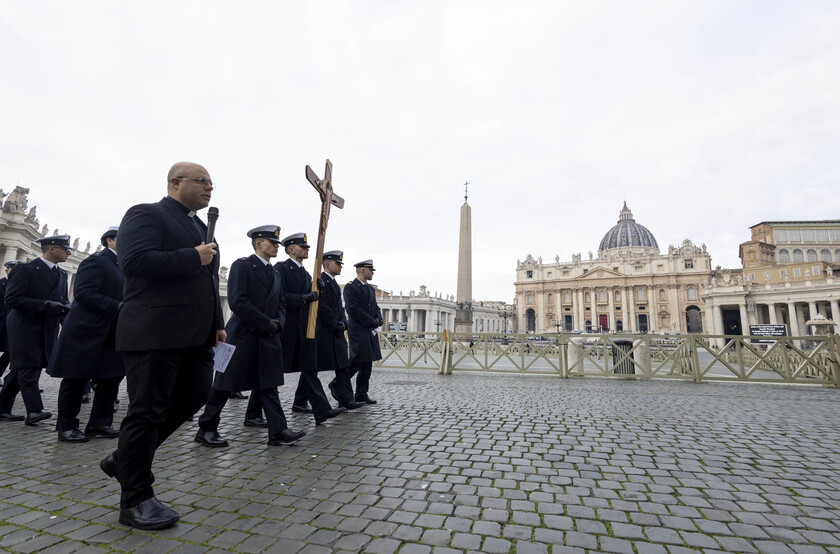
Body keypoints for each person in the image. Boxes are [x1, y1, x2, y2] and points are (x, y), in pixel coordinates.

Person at [99, 162, 225, 530]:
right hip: (154, 331)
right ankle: (135, 499)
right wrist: (192, 256)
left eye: (211, 184)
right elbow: (133, 261)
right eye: (202, 181)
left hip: (195, 335)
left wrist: (217, 324)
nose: (209, 188)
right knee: (147, 411)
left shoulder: (200, 226)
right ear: (175, 182)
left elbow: (208, 282)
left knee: (195, 395)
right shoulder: (145, 214)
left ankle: (124, 458)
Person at [195, 225, 305, 447]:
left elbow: (281, 303)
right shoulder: (242, 266)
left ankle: (278, 431)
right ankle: (206, 427)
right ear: (258, 243)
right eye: (272, 242)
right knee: (225, 385)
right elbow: (237, 301)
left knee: (268, 384)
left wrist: (278, 324)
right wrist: (266, 322)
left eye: (277, 243)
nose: (277, 246)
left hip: (268, 336)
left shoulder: (275, 272)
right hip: (244, 335)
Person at [47, 227, 124, 443]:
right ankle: (67, 426)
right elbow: (84, 293)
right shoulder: (97, 261)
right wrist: (118, 307)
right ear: (110, 241)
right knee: (76, 378)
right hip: (87, 329)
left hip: (112, 331)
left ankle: (100, 423)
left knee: (111, 377)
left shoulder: (124, 264)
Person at [0, 236, 72, 423]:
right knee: (28, 366)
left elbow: (63, 301)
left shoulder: (62, 274)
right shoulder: (25, 270)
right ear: (51, 249)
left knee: (20, 371)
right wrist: (46, 304)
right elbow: (12, 299)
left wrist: (68, 320)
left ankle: (1, 408)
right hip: (24, 326)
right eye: (65, 249)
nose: (69, 253)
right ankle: (34, 410)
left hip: (46, 327)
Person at [275, 233, 344, 424]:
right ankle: (253, 412)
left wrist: (317, 291)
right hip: (288, 328)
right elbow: (279, 297)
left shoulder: (307, 275)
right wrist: (304, 298)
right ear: (291, 249)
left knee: (309, 369)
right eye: (302, 246)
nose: (307, 249)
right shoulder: (281, 268)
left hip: (304, 330)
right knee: (273, 372)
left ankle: (321, 411)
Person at [319, 251, 364, 410]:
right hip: (324, 331)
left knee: (343, 366)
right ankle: (300, 400)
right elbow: (322, 307)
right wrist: (336, 324)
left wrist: (343, 322)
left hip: (337, 330)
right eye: (338, 264)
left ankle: (346, 399)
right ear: (327, 264)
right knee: (312, 369)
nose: (340, 267)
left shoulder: (334, 284)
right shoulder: (321, 281)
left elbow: (340, 308)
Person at [344, 259, 383, 405]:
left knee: (367, 362)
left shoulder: (370, 289)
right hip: (359, 329)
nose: (373, 273)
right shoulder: (351, 287)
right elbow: (353, 309)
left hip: (370, 330)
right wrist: (370, 321)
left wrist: (379, 318)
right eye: (371, 270)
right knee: (357, 361)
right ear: (363, 270)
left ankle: (361, 393)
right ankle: (337, 383)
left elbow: (376, 307)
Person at [0, 260, 23, 387]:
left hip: (13, 325)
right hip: (1, 323)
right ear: (6, 271)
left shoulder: (21, 285)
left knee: (10, 352)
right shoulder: (1, 284)